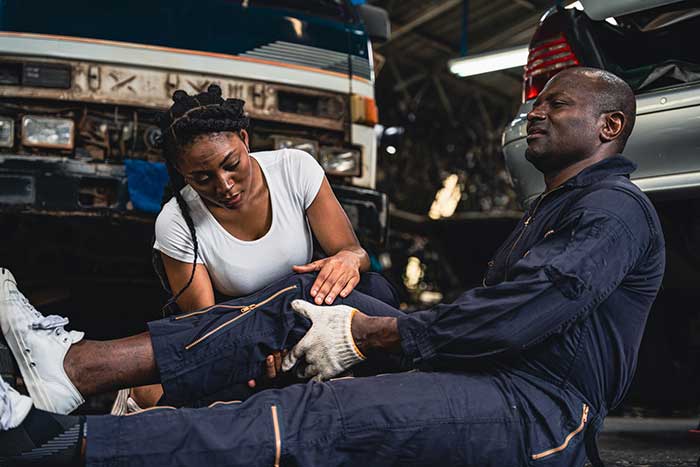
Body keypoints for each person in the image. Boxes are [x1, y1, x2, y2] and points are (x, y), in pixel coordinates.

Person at [0, 67, 665, 467]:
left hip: (542, 410)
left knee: (324, 416)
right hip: (485, 371)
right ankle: (71, 366)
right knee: (296, 296)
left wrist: (367, 333)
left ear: (610, 126)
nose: (534, 112)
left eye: (555, 104)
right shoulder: (552, 208)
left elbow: (519, 313)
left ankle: (66, 447)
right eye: (536, 100)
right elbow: (490, 318)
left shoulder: (616, 209)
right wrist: (344, 326)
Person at [130, 84, 398, 408]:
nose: (224, 185)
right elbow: (206, 326)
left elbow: (354, 252)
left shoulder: (295, 169)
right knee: (238, 375)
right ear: (181, 174)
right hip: (241, 331)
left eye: (231, 164)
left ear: (245, 139)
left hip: (305, 315)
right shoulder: (176, 221)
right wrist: (263, 346)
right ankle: (148, 394)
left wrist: (348, 261)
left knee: (376, 291)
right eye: (202, 178)